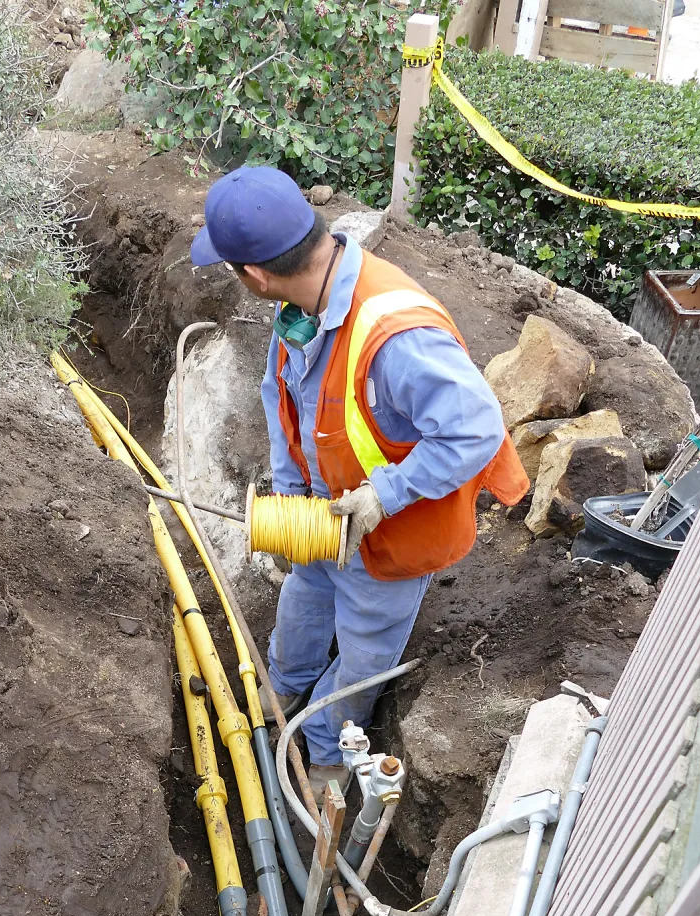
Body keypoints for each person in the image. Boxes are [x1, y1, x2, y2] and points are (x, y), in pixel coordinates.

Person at [190, 166, 529, 795]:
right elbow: (282, 398)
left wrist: (383, 496)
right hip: (325, 513)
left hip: (392, 537)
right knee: (304, 597)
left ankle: (323, 754)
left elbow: (476, 431)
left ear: (255, 274)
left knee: (366, 650)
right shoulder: (303, 305)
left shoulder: (396, 337)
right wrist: (293, 499)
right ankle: (281, 691)